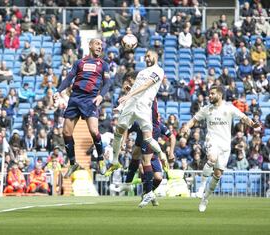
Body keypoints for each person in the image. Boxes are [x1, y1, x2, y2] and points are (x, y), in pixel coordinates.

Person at [181, 84, 260, 212]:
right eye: (209, 93)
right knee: (212, 158)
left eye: (212, 94)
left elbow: (244, 117)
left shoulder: (229, 108)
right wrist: (186, 127)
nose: (209, 96)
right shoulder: (207, 109)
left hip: (225, 145)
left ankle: (205, 198)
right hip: (212, 140)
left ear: (220, 94)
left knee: (217, 174)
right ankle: (201, 188)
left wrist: (252, 124)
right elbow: (194, 120)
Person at [105, 50, 167, 207]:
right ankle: (119, 169)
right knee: (127, 141)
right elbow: (136, 88)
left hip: (147, 115)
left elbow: (145, 86)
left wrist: (129, 94)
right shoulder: (141, 73)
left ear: (156, 56)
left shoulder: (158, 71)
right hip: (133, 110)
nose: (147, 58)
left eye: (149, 56)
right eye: (145, 56)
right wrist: (123, 102)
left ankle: (148, 188)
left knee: (147, 150)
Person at [53, 39, 111, 178]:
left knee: (93, 130)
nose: (99, 47)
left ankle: (101, 159)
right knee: (66, 133)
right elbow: (69, 78)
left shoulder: (103, 65)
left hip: (90, 99)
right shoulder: (79, 63)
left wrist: (101, 96)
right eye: (97, 44)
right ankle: (73, 163)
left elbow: (107, 83)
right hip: (75, 98)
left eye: (101, 46)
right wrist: (58, 90)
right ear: (90, 45)